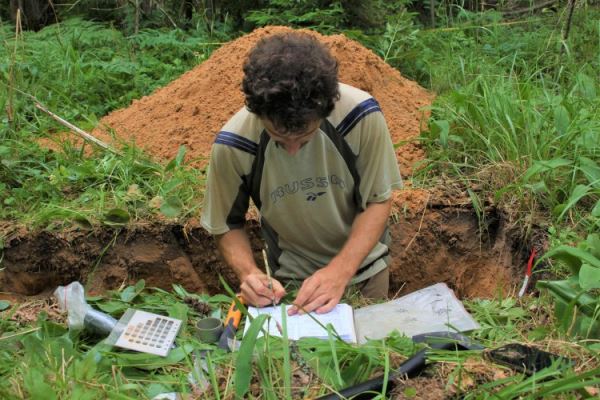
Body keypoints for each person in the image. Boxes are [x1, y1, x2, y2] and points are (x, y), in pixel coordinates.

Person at [201, 32, 402, 315]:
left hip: (366, 275)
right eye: (279, 139)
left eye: (305, 138)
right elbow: (226, 223)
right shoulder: (234, 144)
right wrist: (249, 274)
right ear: (258, 113)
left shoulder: (359, 116)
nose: (294, 151)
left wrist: (339, 272)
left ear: (325, 111)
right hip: (293, 288)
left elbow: (378, 199)